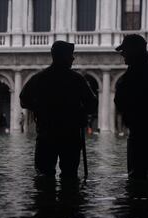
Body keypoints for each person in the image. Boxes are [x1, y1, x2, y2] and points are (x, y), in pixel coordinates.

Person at [20, 40, 98, 179]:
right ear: (62, 57)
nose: (73, 58)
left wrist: (40, 108)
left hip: (46, 134)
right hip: (70, 134)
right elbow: (92, 104)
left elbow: (23, 100)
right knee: (70, 175)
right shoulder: (76, 79)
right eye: (70, 55)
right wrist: (80, 111)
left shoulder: (39, 78)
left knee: (44, 175)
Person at [114, 34, 148, 179]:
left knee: (138, 174)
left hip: (141, 132)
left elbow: (120, 100)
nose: (122, 55)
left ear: (134, 51)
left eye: (124, 51)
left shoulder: (134, 73)